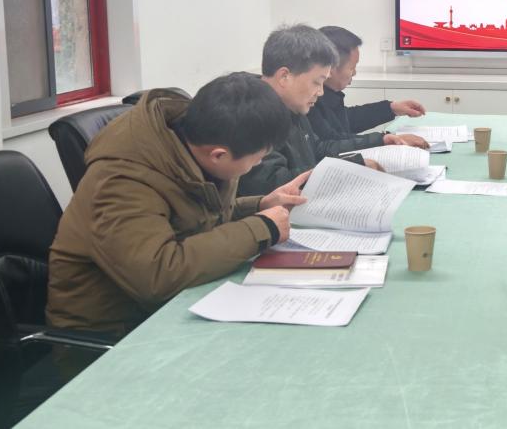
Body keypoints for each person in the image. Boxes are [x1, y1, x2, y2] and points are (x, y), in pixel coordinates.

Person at [47, 74, 309, 336]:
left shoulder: (191, 143)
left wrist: (260, 206)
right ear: (218, 155)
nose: (258, 165)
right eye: (257, 159)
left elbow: (194, 219)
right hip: (112, 334)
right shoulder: (122, 181)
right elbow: (157, 276)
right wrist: (261, 228)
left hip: (164, 311)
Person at [239, 24, 385, 196]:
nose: (321, 92)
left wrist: (355, 163)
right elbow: (274, 183)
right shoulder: (251, 115)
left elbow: (317, 150)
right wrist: (348, 171)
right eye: (317, 82)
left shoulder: (293, 105)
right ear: (284, 77)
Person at [310, 26, 428, 149]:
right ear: (330, 68)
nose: (354, 73)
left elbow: (346, 120)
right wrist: (384, 140)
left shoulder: (329, 94)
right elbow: (332, 141)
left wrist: (391, 108)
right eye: (352, 68)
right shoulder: (309, 101)